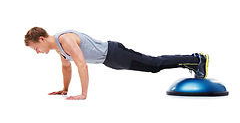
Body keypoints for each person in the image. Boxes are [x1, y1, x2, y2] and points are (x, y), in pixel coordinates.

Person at [24, 27, 209, 100]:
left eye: (35, 48)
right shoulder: (59, 48)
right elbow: (66, 66)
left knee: (155, 64)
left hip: (115, 54)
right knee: (154, 65)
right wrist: (65, 89)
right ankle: (192, 62)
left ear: (41, 39)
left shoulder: (65, 40)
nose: (37, 52)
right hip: (111, 60)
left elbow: (82, 65)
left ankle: (196, 60)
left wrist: (84, 94)